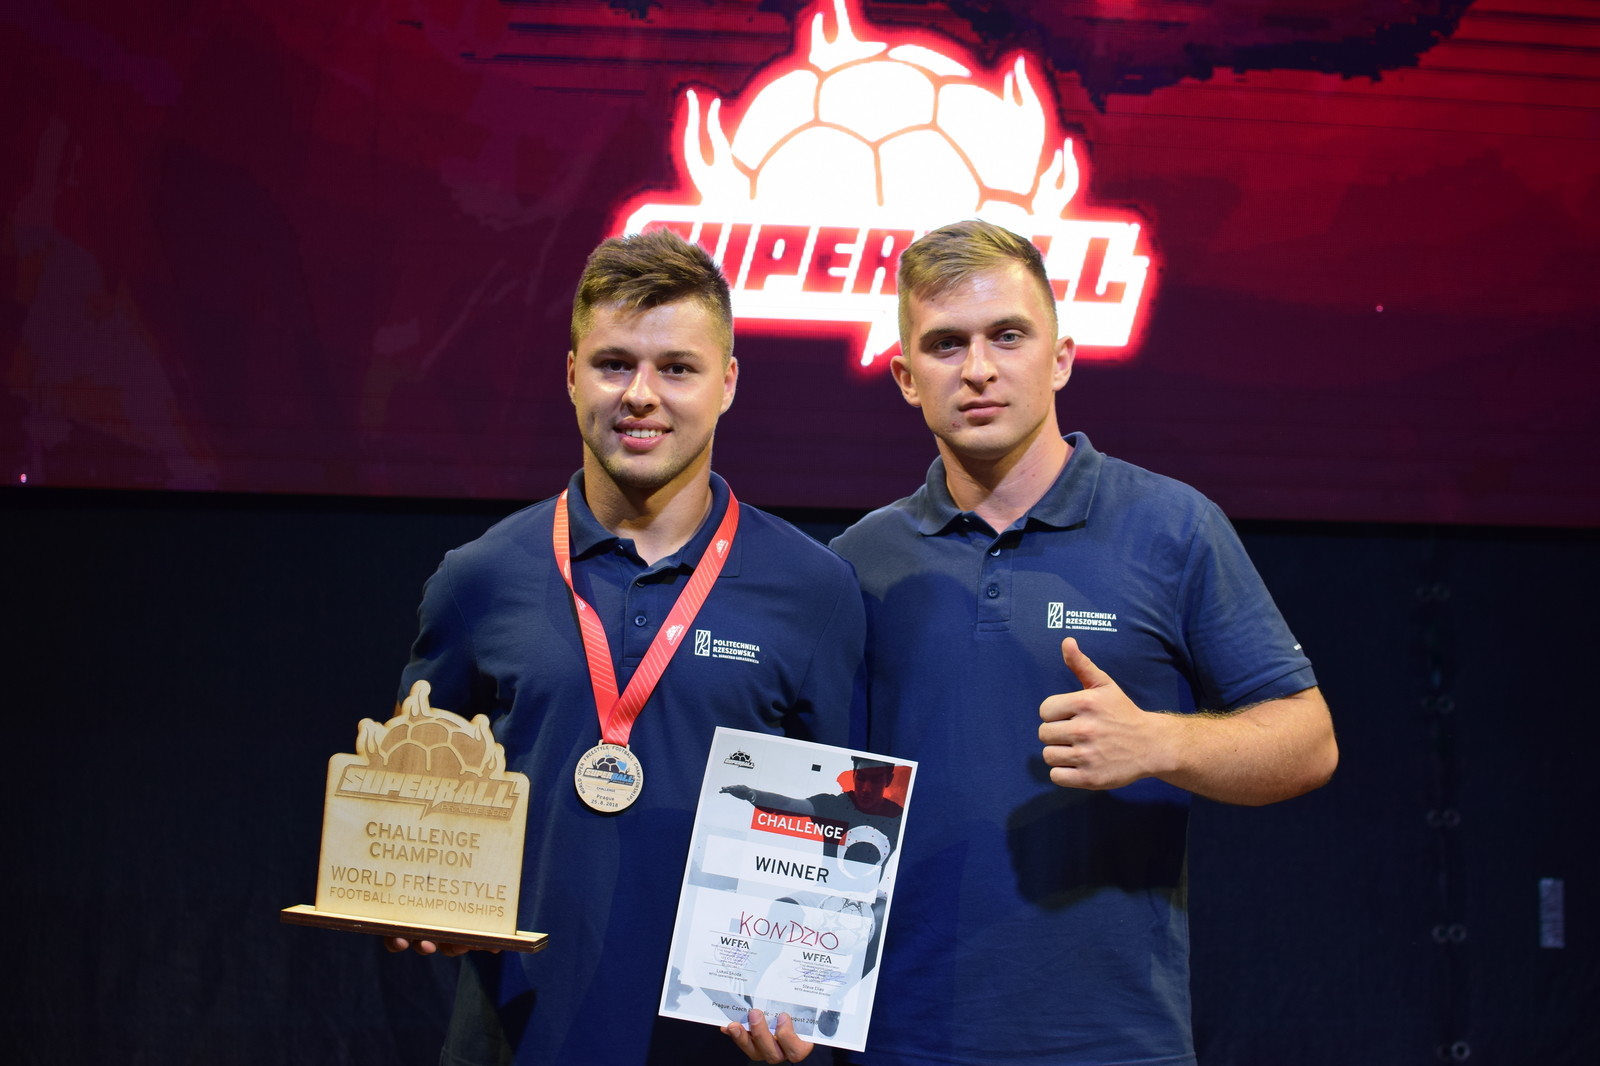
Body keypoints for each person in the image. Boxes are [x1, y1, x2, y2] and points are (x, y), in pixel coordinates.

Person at [809, 219, 1337, 1066]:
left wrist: (1160, 742)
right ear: (906, 377)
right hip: (901, 1040)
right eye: (945, 344)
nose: (978, 369)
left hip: (1113, 1042)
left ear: (1059, 358)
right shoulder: (858, 563)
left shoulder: (1173, 528)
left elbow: (1309, 742)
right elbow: (816, 799)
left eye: (1007, 336)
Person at [386, 228, 865, 1066]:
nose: (641, 395)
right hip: (517, 1041)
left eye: (677, 368)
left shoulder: (814, 590)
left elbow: (842, 837)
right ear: (572, 374)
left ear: (728, 382)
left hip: (722, 1046)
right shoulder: (479, 579)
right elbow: (416, 796)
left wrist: (805, 1007)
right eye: (614, 364)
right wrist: (420, 899)